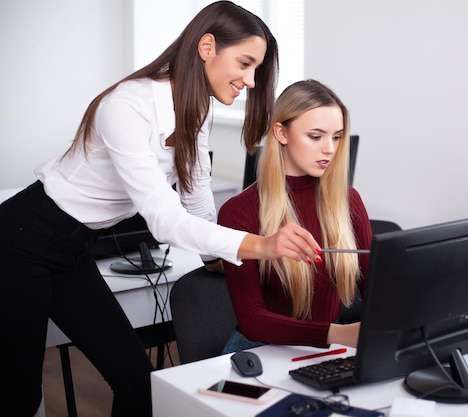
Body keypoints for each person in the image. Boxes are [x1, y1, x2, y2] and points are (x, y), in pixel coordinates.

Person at [0, 2, 322, 416]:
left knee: (137, 380)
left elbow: (196, 192)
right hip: (21, 242)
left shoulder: (197, 106)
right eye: (245, 63)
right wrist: (261, 246)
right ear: (207, 46)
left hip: (72, 249)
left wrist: (216, 258)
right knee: (19, 393)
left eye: (256, 69)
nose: (251, 80)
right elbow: (166, 221)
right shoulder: (127, 105)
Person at [218, 79, 372, 353]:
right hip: (259, 351)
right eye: (316, 136)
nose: (330, 149)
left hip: (323, 351)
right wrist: (340, 334)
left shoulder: (349, 201)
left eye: (336, 137)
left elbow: (376, 286)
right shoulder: (238, 212)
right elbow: (252, 320)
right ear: (281, 133)